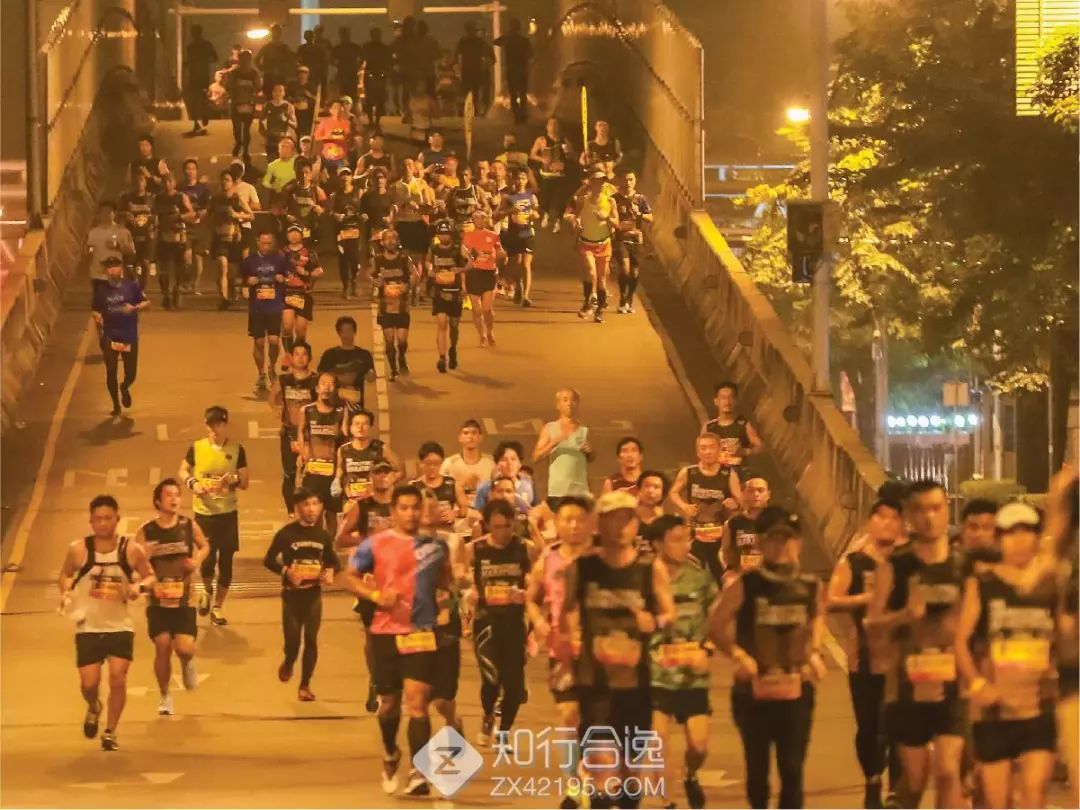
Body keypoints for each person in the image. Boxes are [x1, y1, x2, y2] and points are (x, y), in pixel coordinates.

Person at [557, 490, 675, 809]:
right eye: (613, 519)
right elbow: (567, 612)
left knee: (629, 776)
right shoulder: (583, 568)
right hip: (594, 684)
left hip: (636, 685)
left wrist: (654, 622)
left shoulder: (650, 569)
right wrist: (568, 649)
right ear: (599, 524)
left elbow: (669, 615)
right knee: (602, 771)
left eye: (628, 520)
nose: (621, 527)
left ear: (636, 525)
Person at [709, 509, 825, 810]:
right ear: (760, 543)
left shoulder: (811, 585)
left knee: (792, 769)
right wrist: (738, 655)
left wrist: (813, 653)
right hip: (754, 691)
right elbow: (716, 625)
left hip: (795, 689)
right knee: (758, 769)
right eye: (774, 540)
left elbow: (816, 621)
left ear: (799, 543)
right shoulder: (746, 585)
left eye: (789, 540)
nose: (782, 547)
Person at [343, 484, 453, 797]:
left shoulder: (436, 547)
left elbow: (445, 581)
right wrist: (376, 595)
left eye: (415, 507)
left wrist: (445, 602)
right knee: (389, 704)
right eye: (403, 508)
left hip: (421, 631)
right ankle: (390, 752)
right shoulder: (375, 544)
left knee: (417, 702)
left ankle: (419, 772)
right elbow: (347, 577)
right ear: (393, 511)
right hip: (385, 633)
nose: (410, 513)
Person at [867, 480, 966, 809]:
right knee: (914, 781)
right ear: (908, 515)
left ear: (947, 508)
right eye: (920, 510)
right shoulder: (895, 566)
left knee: (949, 772)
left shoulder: (963, 565)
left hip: (953, 686)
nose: (929, 518)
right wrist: (905, 616)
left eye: (936, 508)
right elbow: (872, 623)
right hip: (908, 686)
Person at [955, 502, 1058, 809]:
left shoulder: (1050, 586)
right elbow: (961, 643)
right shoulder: (983, 585)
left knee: (1034, 796)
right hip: (995, 712)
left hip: (1038, 710)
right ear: (999, 540)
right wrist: (977, 685)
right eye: (1011, 533)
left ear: (1037, 537)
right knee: (996, 802)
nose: (1020, 540)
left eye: (1027, 532)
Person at [58, 495, 154, 752]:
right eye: (98, 519)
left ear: (117, 519)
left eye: (108, 518)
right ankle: (94, 706)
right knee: (89, 684)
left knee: (117, 677)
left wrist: (137, 588)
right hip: (88, 625)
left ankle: (110, 731)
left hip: (120, 626)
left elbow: (150, 576)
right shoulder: (78, 549)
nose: (103, 523)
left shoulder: (131, 549)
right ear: (90, 521)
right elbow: (65, 574)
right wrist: (66, 592)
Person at [826, 498, 903, 809]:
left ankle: (896, 792)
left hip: (902, 660)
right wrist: (867, 598)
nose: (887, 523)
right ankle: (872, 778)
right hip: (865, 657)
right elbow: (831, 599)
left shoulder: (907, 561)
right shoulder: (855, 562)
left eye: (894, 518)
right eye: (880, 517)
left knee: (898, 727)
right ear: (870, 522)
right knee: (869, 728)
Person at [646, 514, 719, 810]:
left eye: (686, 539)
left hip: (692, 676)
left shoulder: (699, 577)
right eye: (675, 540)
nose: (684, 546)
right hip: (655, 674)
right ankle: (668, 802)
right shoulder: (642, 579)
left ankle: (690, 774)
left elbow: (718, 618)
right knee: (657, 740)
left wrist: (707, 650)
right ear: (656, 543)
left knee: (698, 746)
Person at [525, 495, 593, 808]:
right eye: (567, 519)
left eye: (580, 519)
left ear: (589, 523)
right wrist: (538, 621)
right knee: (568, 716)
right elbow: (531, 598)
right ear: (557, 523)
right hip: (562, 651)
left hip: (600, 652)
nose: (574, 525)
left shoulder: (602, 559)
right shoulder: (548, 559)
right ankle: (573, 785)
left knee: (594, 720)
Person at [134, 479, 209, 716]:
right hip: (158, 601)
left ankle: (187, 662)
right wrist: (144, 562)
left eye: (177, 494)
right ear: (158, 501)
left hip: (183, 598)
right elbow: (134, 561)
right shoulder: (146, 531)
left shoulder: (188, 526)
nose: (174, 499)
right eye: (169, 495)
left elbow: (204, 546)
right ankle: (165, 696)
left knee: (184, 648)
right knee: (163, 645)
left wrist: (196, 561)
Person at [467, 498, 534, 745]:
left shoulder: (524, 548)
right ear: (486, 525)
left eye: (506, 526)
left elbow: (539, 580)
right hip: (486, 623)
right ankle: (488, 715)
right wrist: (469, 591)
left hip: (514, 623)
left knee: (514, 686)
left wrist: (527, 593)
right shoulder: (475, 549)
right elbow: (461, 576)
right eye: (496, 527)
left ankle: (504, 730)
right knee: (491, 679)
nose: (502, 532)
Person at [263, 488, 341, 701]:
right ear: (297, 508)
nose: (311, 509)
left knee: (311, 640)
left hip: (313, 595)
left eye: (315, 504)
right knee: (293, 642)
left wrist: (330, 572)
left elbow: (334, 562)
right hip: (291, 596)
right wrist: (287, 572)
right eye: (306, 504)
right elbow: (269, 560)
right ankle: (289, 661)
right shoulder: (286, 534)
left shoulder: (323, 536)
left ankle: (305, 685)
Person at [178, 407, 249, 627]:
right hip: (204, 514)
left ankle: (217, 607)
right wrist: (193, 484)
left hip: (227, 515)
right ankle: (208, 590)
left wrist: (233, 480)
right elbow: (183, 471)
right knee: (207, 562)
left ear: (225, 425)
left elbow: (245, 481)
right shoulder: (197, 448)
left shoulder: (236, 449)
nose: (214, 429)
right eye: (211, 425)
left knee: (226, 563)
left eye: (219, 425)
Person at [669, 433, 743, 586]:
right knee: (691, 577)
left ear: (719, 450)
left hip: (721, 536)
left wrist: (735, 505)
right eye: (703, 448)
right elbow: (673, 492)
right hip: (695, 533)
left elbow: (742, 502)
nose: (707, 452)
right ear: (698, 451)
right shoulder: (688, 472)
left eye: (711, 448)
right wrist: (684, 506)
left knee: (723, 579)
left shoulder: (729, 474)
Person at [91, 257, 149, 416]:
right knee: (111, 371)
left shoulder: (131, 286)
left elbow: (146, 303)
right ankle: (116, 404)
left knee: (131, 373)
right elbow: (95, 308)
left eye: (114, 267)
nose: (111, 270)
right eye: (108, 268)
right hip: (110, 336)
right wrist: (97, 316)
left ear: (121, 269)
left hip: (129, 336)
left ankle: (124, 387)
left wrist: (134, 308)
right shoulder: (101, 290)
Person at [270, 341, 317, 512]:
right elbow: (272, 397)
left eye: (304, 354)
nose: (300, 358)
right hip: (289, 433)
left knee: (311, 472)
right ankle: (291, 511)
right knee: (289, 474)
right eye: (296, 354)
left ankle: (310, 508)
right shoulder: (284, 380)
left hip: (311, 434)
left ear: (309, 357)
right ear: (291, 357)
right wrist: (276, 408)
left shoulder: (315, 380)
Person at [241, 231, 290, 393]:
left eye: (269, 243)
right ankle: (261, 373)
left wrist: (283, 278)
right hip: (257, 307)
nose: (266, 246)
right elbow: (241, 280)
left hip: (275, 305)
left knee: (274, 341)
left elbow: (289, 276)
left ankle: (272, 367)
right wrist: (248, 282)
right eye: (263, 243)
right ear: (258, 242)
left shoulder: (280, 259)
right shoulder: (250, 260)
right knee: (259, 343)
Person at [299, 372, 346, 534]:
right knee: (314, 514)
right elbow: (301, 436)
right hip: (313, 472)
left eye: (331, 384)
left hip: (333, 471)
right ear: (316, 388)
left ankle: (329, 545)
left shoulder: (341, 411)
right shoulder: (306, 411)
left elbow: (344, 440)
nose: (327, 387)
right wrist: (303, 460)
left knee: (332, 515)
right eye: (323, 383)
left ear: (336, 388)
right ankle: (316, 544)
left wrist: (340, 473)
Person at [570, 169, 618, 323]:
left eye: (603, 181)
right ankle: (587, 302)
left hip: (604, 243)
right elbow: (574, 216)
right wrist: (576, 223)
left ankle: (600, 310)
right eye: (598, 181)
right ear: (591, 183)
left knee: (602, 279)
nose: (601, 184)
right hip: (586, 243)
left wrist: (607, 218)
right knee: (591, 273)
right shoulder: (583, 200)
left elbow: (616, 223)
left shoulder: (610, 201)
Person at [533, 388, 594, 508]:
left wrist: (590, 451)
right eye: (565, 400)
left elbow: (592, 457)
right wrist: (553, 443)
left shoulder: (585, 430)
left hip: (580, 491)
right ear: (558, 405)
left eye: (573, 400)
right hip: (558, 491)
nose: (569, 403)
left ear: (577, 404)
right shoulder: (550, 428)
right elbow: (536, 457)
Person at [372, 228, 414, 381]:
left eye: (393, 238)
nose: (390, 241)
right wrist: (376, 282)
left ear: (397, 241)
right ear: (382, 242)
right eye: (387, 239)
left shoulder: (404, 259)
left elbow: (415, 275)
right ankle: (393, 369)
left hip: (402, 306)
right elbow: (368, 274)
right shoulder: (378, 260)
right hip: (386, 306)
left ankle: (402, 357)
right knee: (389, 341)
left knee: (402, 341)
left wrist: (407, 286)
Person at [209, 169, 253, 309]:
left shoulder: (237, 199)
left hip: (234, 240)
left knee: (232, 272)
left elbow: (251, 215)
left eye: (227, 180)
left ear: (233, 183)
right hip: (220, 239)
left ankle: (232, 292)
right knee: (222, 266)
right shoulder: (215, 200)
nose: (224, 182)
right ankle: (223, 298)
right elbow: (207, 215)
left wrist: (237, 215)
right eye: (222, 179)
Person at [427, 219, 467, 372]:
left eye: (446, 234)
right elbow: (428, 262)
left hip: (455, 290)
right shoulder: (433, 248)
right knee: (441, 323)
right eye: (441, 234)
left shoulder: (458, 249)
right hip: (440, 290)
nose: (444, 236)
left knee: (454, 325)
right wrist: (430, 270)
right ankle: (442, 357)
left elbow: (469, 264)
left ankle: (453, 349)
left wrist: (462, 280)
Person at [153, 173, 196, 310]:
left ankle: (177, 289)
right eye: (164, 182)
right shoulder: (158, 197)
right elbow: (154, 214)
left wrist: (179, 217)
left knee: (180, 267)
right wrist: (154, 227)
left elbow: (191, 213)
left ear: (174, 183)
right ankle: (166, 295)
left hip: (178, 236)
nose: (167, 184)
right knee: (163, 268)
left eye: (169, 181)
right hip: (163, 236)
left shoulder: (181, 196)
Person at [497, 169, 540, 306]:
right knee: (515, 263)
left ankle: (526, 296)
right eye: (518, 178)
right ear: (514, 180)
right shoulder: (509, 197)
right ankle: (518, 285)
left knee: (526, 264)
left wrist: (534, 215)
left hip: (527, 233)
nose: (520, 181)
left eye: (523, 178)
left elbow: (537, 213)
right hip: (513, 233)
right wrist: (511, 210)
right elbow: (499, 213)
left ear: (527, 180)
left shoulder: (531, 196)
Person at [281, 222, 323, 363]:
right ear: (287, 235)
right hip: (286, 293)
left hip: (303, 294)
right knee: (287, 326)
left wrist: (306, 273)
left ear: (301, 235)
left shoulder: (308, 253)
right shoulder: (282, 253)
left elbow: (319, 271)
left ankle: (298, 354)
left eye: (296, 233)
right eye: (291, 232)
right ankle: (288, 355)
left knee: (300, 331)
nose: (294, 235)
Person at [612, 171, 653, 313]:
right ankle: (622, 299)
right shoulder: (614, 199)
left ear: (635, 181)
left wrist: (639, 214)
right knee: (625, 268)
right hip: (620, 239)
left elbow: (650, 218)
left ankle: (629, 298)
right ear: (620, 181)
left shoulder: (640, 199)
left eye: (631, 179)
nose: (628, 182)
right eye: (625, 179)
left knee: (634, 273)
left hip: (636, 240)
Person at [317, 315, 376, 413]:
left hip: (355, 404)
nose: (347, 334)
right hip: (333, 404)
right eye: (343, 331)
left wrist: (371, 374)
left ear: (354, 332)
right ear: (339, 333)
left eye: (349, 330)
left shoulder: (364, 355)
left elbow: (371, 378)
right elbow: (321, 376)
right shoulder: (329, 354)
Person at [462, 209, 503, 347]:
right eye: (476, 218)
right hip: (474, 273)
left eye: (482, 217)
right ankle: (482, 335)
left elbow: (500, 251)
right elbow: (464, 252)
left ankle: (490, 331)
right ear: (473, 220)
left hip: (489, 273)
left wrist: (500, 255)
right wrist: (471, 256)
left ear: (486, 220)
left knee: (487, 309)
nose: (479, 220)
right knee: (476, 310)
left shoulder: (493, 235)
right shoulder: (468, 236)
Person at [335, 410, 392, 508]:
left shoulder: (381, 447)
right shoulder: (343, 450)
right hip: (352, 502)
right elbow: (340, 469)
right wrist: (336, 480)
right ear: (350, 427)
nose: (360, 427)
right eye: (356, 424)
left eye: (365, 424)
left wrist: (383, 484)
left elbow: (399, 471)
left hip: (375, 502)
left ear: (370, 427)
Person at [720, 475, 771, 582]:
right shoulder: (732, 524)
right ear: (743, 495)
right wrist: (729, 570)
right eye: (751, 491)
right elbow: (725, 551)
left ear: (768, 495)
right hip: (742, 578)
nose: (756, 494)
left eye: (760, 490)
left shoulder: (778, 522)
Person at [704, 382, 764, 465]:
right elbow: (701, 452)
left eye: (730, 397)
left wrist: (744, 451)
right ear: (716, 401)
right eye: (723, 398)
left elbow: (760, 447)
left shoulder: (744, 424)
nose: (727, 402)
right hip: (717, 471)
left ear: (735, 401)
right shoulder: (709, 427)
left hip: (739, 471)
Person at [531, 118, 574, 232]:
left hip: (560, 175)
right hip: (546, 174)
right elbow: (532, 154)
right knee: (545, 198)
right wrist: (542, 159)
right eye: (551, 124)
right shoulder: (541, 140)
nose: (553, 126)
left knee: (559, 199)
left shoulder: (564, 140)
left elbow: (571, 156)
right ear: (547, 127)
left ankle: (558, 221)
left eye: (555, 124)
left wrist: (567, 157)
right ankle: (545, 215)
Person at [85, 202, 135, 298]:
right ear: (99, 214)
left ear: (114, 214)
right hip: (97, 274)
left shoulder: (123, 231)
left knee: (113, 302)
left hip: (115, 275)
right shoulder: (93, 232)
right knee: (99, 303)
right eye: (103, 212)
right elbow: (89, 249)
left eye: (108, 212)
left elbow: (131, 250)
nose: (105, 215)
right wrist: (89, 250)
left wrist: (117, 246)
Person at [440, 419, 495, 503]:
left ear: (480, 437)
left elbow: (498, 488)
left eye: (474, 433)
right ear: (459, 437)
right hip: (457, 508)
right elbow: (440, 488)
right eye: (466, 433)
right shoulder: (449, 463)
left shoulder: (490, 462)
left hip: (484, 507)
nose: (470, 436)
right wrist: (461, 483)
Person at [118, 171, 157, 287]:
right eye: (137, 180)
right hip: (131, 235)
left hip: (146, 235)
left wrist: (154, 225)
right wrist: (126, 215)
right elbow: (118, 213)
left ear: (145, 183)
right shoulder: (126, 197)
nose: (139, 183)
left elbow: (157, 213)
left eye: (142, 180)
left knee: (145, 262)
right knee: (129, 265)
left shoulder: (152, 198)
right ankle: (134, 283)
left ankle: (142, 289)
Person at [178, 159, 211, 295]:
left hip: (199, 226)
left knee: (198, 259)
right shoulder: (180, 188)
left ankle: (195, 286)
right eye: (187, 168)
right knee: (186, 257)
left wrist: (199, 215)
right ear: (184, 171)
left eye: (192, 168)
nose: (190, 171)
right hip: (184, 226)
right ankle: (186, 282)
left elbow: (208, 207)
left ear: (196, 171)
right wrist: (184, 216)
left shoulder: (203, 189)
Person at [329, 167, 363, 297]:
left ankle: (354, 281)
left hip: (356, 230)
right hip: (341, 231)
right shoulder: (335, 195)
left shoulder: (359, 192)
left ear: (351, 177)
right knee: (343, 259)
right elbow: (330, 211)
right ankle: (345, 287)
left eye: (348, 175)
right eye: (343, 175)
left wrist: (363, 215)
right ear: (339, 178)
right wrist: (336, 215)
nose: (345, 178)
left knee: (355, 259)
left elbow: (365, 208)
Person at [224, 49, 260, 163]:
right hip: (237, 103)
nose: (245, 61)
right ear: (239, 60)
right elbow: (228, 86)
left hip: (248, 103)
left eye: (247, 59)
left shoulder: (253, 73)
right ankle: (239, 143)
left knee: (246, 129)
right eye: (243, 59)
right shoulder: (234, 73)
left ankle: (245, 150)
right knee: (238, 128)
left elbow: (258, 86)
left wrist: (252, 91)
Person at [493, 18, 531, 123]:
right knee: (522, 93)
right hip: (522, 69)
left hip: (511, 69)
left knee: (513, 94)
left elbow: (495, 42)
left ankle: (516, 115)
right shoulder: (524, 40)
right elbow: (530, 54)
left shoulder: (507, 38)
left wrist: (506, 35)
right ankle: (523, 114)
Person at [182, 25, 218, 136]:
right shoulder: (206, 45)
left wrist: (191, 65)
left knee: (194, 98)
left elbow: (188, 62)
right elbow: (215, 58)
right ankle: (203, 115)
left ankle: (198, 120)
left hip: (195, 75)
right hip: (202, 75)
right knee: (201, 96)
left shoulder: (191, 46)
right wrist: (205, 61)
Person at [359, 27, 393, 131]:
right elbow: (362, 60)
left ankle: (376, 121)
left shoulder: (384, 48)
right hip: (371, 74)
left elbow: (389, 62)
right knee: (370, 99)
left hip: (380, 75)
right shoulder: (367, 47)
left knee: (379, 100)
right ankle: (371, 121)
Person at [456, 21, 491, 114]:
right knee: (475, 92)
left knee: (465, 91)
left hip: (467, 70)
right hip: (475, 69)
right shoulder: (478, 41)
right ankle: (475, 111)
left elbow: (459, 56)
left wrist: (459, 69)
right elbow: (484, 56)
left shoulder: (463, 41)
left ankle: (463, 110)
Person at [313, 100, 352, 176]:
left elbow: (347, 136)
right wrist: (327, 137)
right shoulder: (324, 122)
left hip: (341, 157)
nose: (338, 109)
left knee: (343, 176)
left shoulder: (347, 123)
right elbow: (317, 136)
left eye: (340, 107)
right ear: (331, 110)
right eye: (335, 107)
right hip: (326, 156)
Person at [255, 24, 294, 97]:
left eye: (277, 32)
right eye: (275, 32)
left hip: (280, 76)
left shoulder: (284, 48)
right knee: (269, 96)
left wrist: (286, 70)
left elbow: (291, 60)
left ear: (280, 33)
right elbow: (257, 59)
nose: (276, 34)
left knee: (281, 97)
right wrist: (263, 68)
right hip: (269, 77)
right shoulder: (267, 47)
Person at [261, 83, 297, 160]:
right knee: (271, 162)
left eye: (280, 91)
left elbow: (295, 124)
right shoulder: (267, 106)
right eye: (275, 91)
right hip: (271, 139)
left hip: (283, 138)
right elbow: (261, 123)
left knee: (284, 162)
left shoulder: (289, 106)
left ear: (284, 93)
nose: (278, 93)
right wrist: (265, 134)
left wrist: (286, 120)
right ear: (272, 92)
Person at [262, 136, 299, 210]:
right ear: (278, 149)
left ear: (292, 151)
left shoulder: (298, 162)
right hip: (279, 196)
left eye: (288, 147)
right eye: (283, 146)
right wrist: (272, 186)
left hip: (295, 195)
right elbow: (265, 182)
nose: (285, 149)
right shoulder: (272, 165)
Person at [297, 31, 328, 110]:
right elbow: (298, 60)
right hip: (307, 75)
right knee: (307, 92)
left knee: (315, 92)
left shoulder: (318, 48)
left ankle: (317, 106)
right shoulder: (303, 48)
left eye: (309, 36)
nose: (308, 38)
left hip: (315, 75)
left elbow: (323, 62)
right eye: (307, 36)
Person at [332, 27, 363, 99]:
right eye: (343, 34)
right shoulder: (337, 48)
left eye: (346, 34)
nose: (345, 36)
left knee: (353, 94)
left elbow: (363, 58)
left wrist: (358, 67)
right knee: (343, 95)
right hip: (342, 74)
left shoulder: (355, 47)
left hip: (352, 74)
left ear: (349, 35)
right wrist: (337, 66)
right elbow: (331, 60)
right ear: (340, 35)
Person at [288, 65, 318, 139]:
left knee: (306, 133)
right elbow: (288, 98)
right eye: (300, 73)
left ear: (308, 75)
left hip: (307, 114)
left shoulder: (312, 86)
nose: (302, 75)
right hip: (295, 113)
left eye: (305, 73)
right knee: (295, 131)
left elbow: (317, 100)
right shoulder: (292, 86)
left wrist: (309, 95)